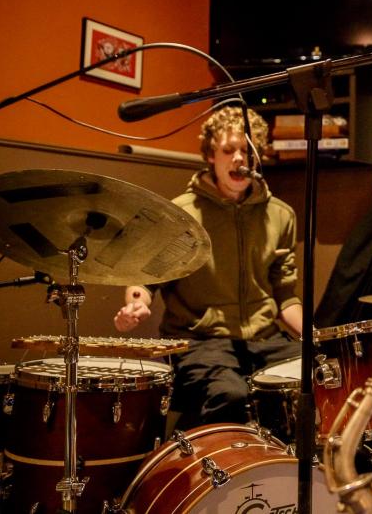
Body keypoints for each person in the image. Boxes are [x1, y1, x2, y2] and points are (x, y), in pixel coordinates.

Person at [114, 106, 303, 430]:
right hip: (198, 341)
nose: (239, 158)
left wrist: (315, 337)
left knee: (313, 379)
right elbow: (144, 281)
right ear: (211, 156)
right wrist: (136, 304)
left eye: (247, 150)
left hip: (265, 339)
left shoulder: (281, 215)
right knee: (229, 393)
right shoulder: (181, 214)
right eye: (228, 150)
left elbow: (285, 295)